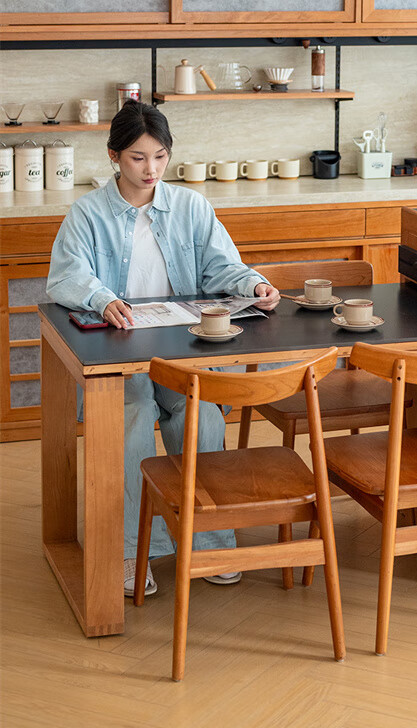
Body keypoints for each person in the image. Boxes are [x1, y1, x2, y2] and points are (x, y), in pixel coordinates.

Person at [46, 99, 281, 597]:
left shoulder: (192, 207)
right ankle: (132, 550)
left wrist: (254, 283)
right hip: (116, 351)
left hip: (181, 349)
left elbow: (222, 266)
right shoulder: (86, 213)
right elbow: (66, 276)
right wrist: (102, 298)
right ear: (114, 156)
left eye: (159, 156)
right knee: (132, 414)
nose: (150, 169)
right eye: (137, 157)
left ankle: (209, 541)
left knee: (202, 412)